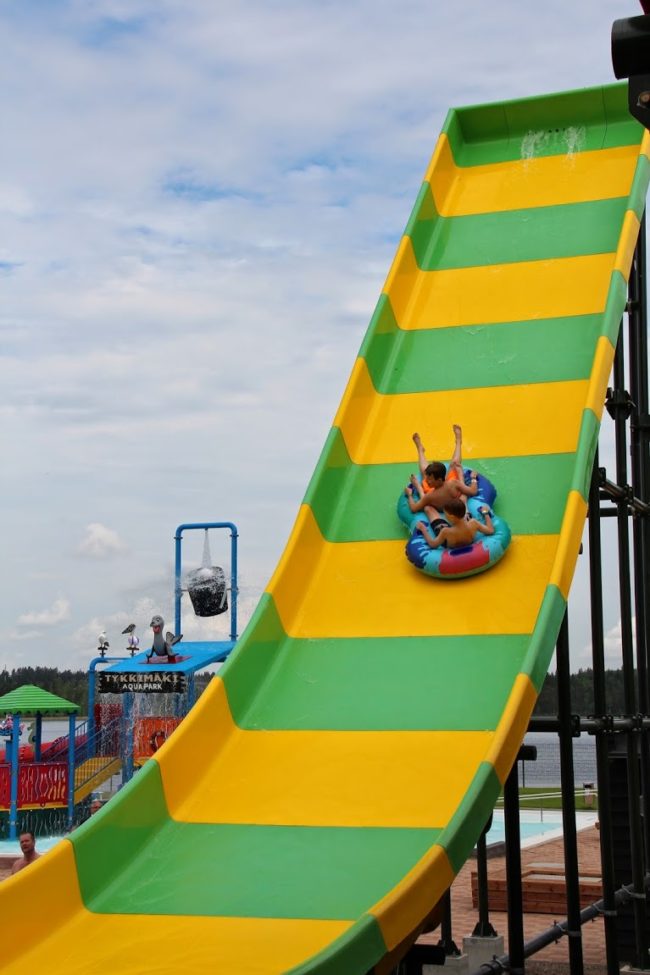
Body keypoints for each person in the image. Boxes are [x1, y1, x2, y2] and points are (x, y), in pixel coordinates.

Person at [406, 425, 479, 514]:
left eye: (430, 479)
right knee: (455, 465)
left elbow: (414, 508)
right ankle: (458, 442)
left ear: (440, 479)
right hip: (448, 496)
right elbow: (473, 491)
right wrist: (473, 479)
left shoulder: (429, 496)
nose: (427, 481)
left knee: (450, 465)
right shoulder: (453, 483)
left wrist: (409, 495)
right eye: (428, 478)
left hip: (440, 500)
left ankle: (421, 450)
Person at [414, 497, 494, 550]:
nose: (444, 515)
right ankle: (464, 502)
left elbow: (433, 544)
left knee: (428, 509)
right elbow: (490, 530)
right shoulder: (473, 523)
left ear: (451, 517)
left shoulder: (446, 531)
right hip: (466, 530)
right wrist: (485, 513)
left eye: (445, 514)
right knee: (464, 508)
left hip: (450, 539)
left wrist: (423, 529)